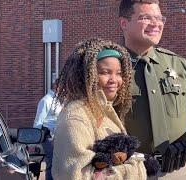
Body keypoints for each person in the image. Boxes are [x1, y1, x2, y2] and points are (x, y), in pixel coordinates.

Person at [118, 0, 186, 179]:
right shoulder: (110, 68)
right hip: (132, 172)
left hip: (179, 171)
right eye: (146, 17)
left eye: (159, 18)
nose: (156, 23)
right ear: (124, 23)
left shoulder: (178, 65)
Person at [52, 38, 147, 180]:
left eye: (119, 73)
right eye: (105, 72)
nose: (114, 79)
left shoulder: (105, 109)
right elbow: (76, 175)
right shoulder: (76, 116)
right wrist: (133, 170)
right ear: (85, 75)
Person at [33, 85, 62, 180]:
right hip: (48, 137)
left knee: (57, 163)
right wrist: (35, 142)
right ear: (57, 87)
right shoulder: (45, 101)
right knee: (52, 163)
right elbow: (38, 122)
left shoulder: (59, 100)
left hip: (58, 136)